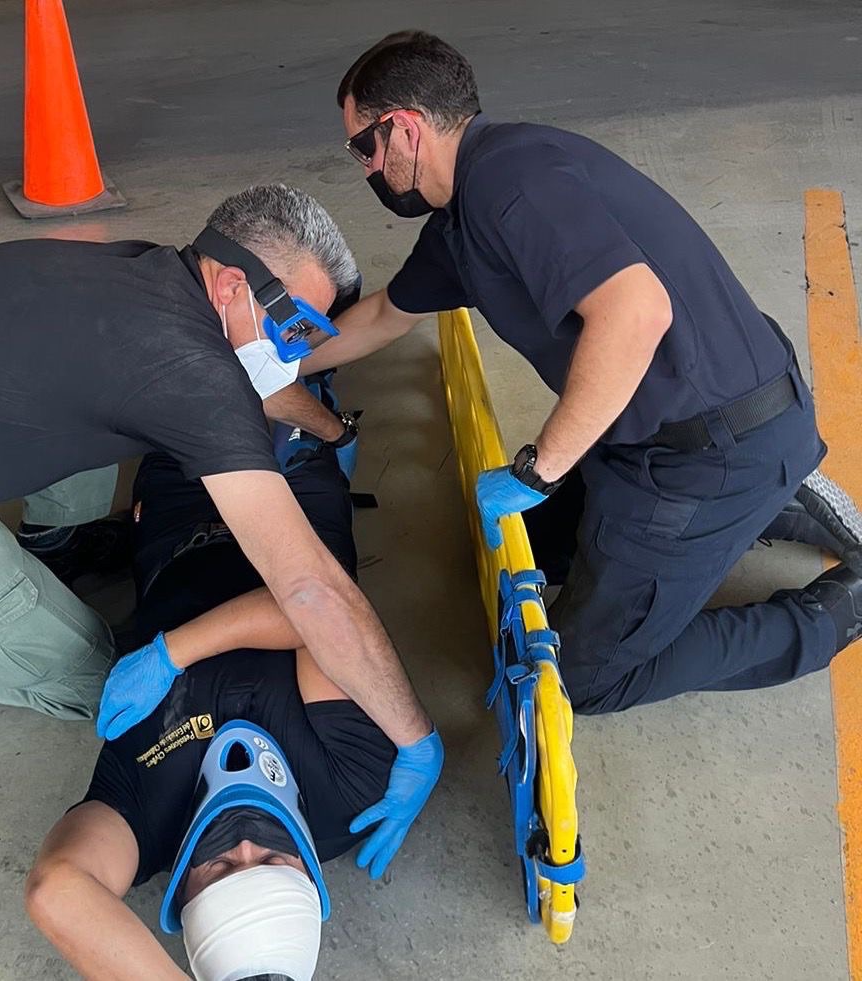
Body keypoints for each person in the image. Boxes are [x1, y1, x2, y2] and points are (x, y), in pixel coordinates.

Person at [0, 181, 442, 824]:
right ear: (232, 283)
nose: (294, 354)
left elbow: (249, 384)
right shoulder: (187, 374)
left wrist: (332, 431)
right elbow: (310, 589)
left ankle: (56, 542)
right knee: (90, 677)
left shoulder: (151, 272)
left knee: (103, 418)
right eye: (294, 326)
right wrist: (416, 740)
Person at [296, 30, 862, 714]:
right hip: (652, 429)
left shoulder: (511, 186)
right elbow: (387, 313)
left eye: (363, 147)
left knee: (582, 680)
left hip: (705, 453)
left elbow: (635, 311)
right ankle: (772, 499)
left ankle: (835, 611)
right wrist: (274, 366)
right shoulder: (469, 210)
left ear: (405, 128)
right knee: (526, 552)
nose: (363, 168)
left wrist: (539, 470)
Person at [25, 423, 401, 980]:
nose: (245, 839)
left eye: (222, 865)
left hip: (174, 515)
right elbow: (319, 614)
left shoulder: (146, 823)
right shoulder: (350, 792)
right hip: (292, 505)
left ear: (182, 887)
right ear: (309, 873)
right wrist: (173, 653)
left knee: (176, 392)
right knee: (289, 383)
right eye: (271, 859)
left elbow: (56, 890)